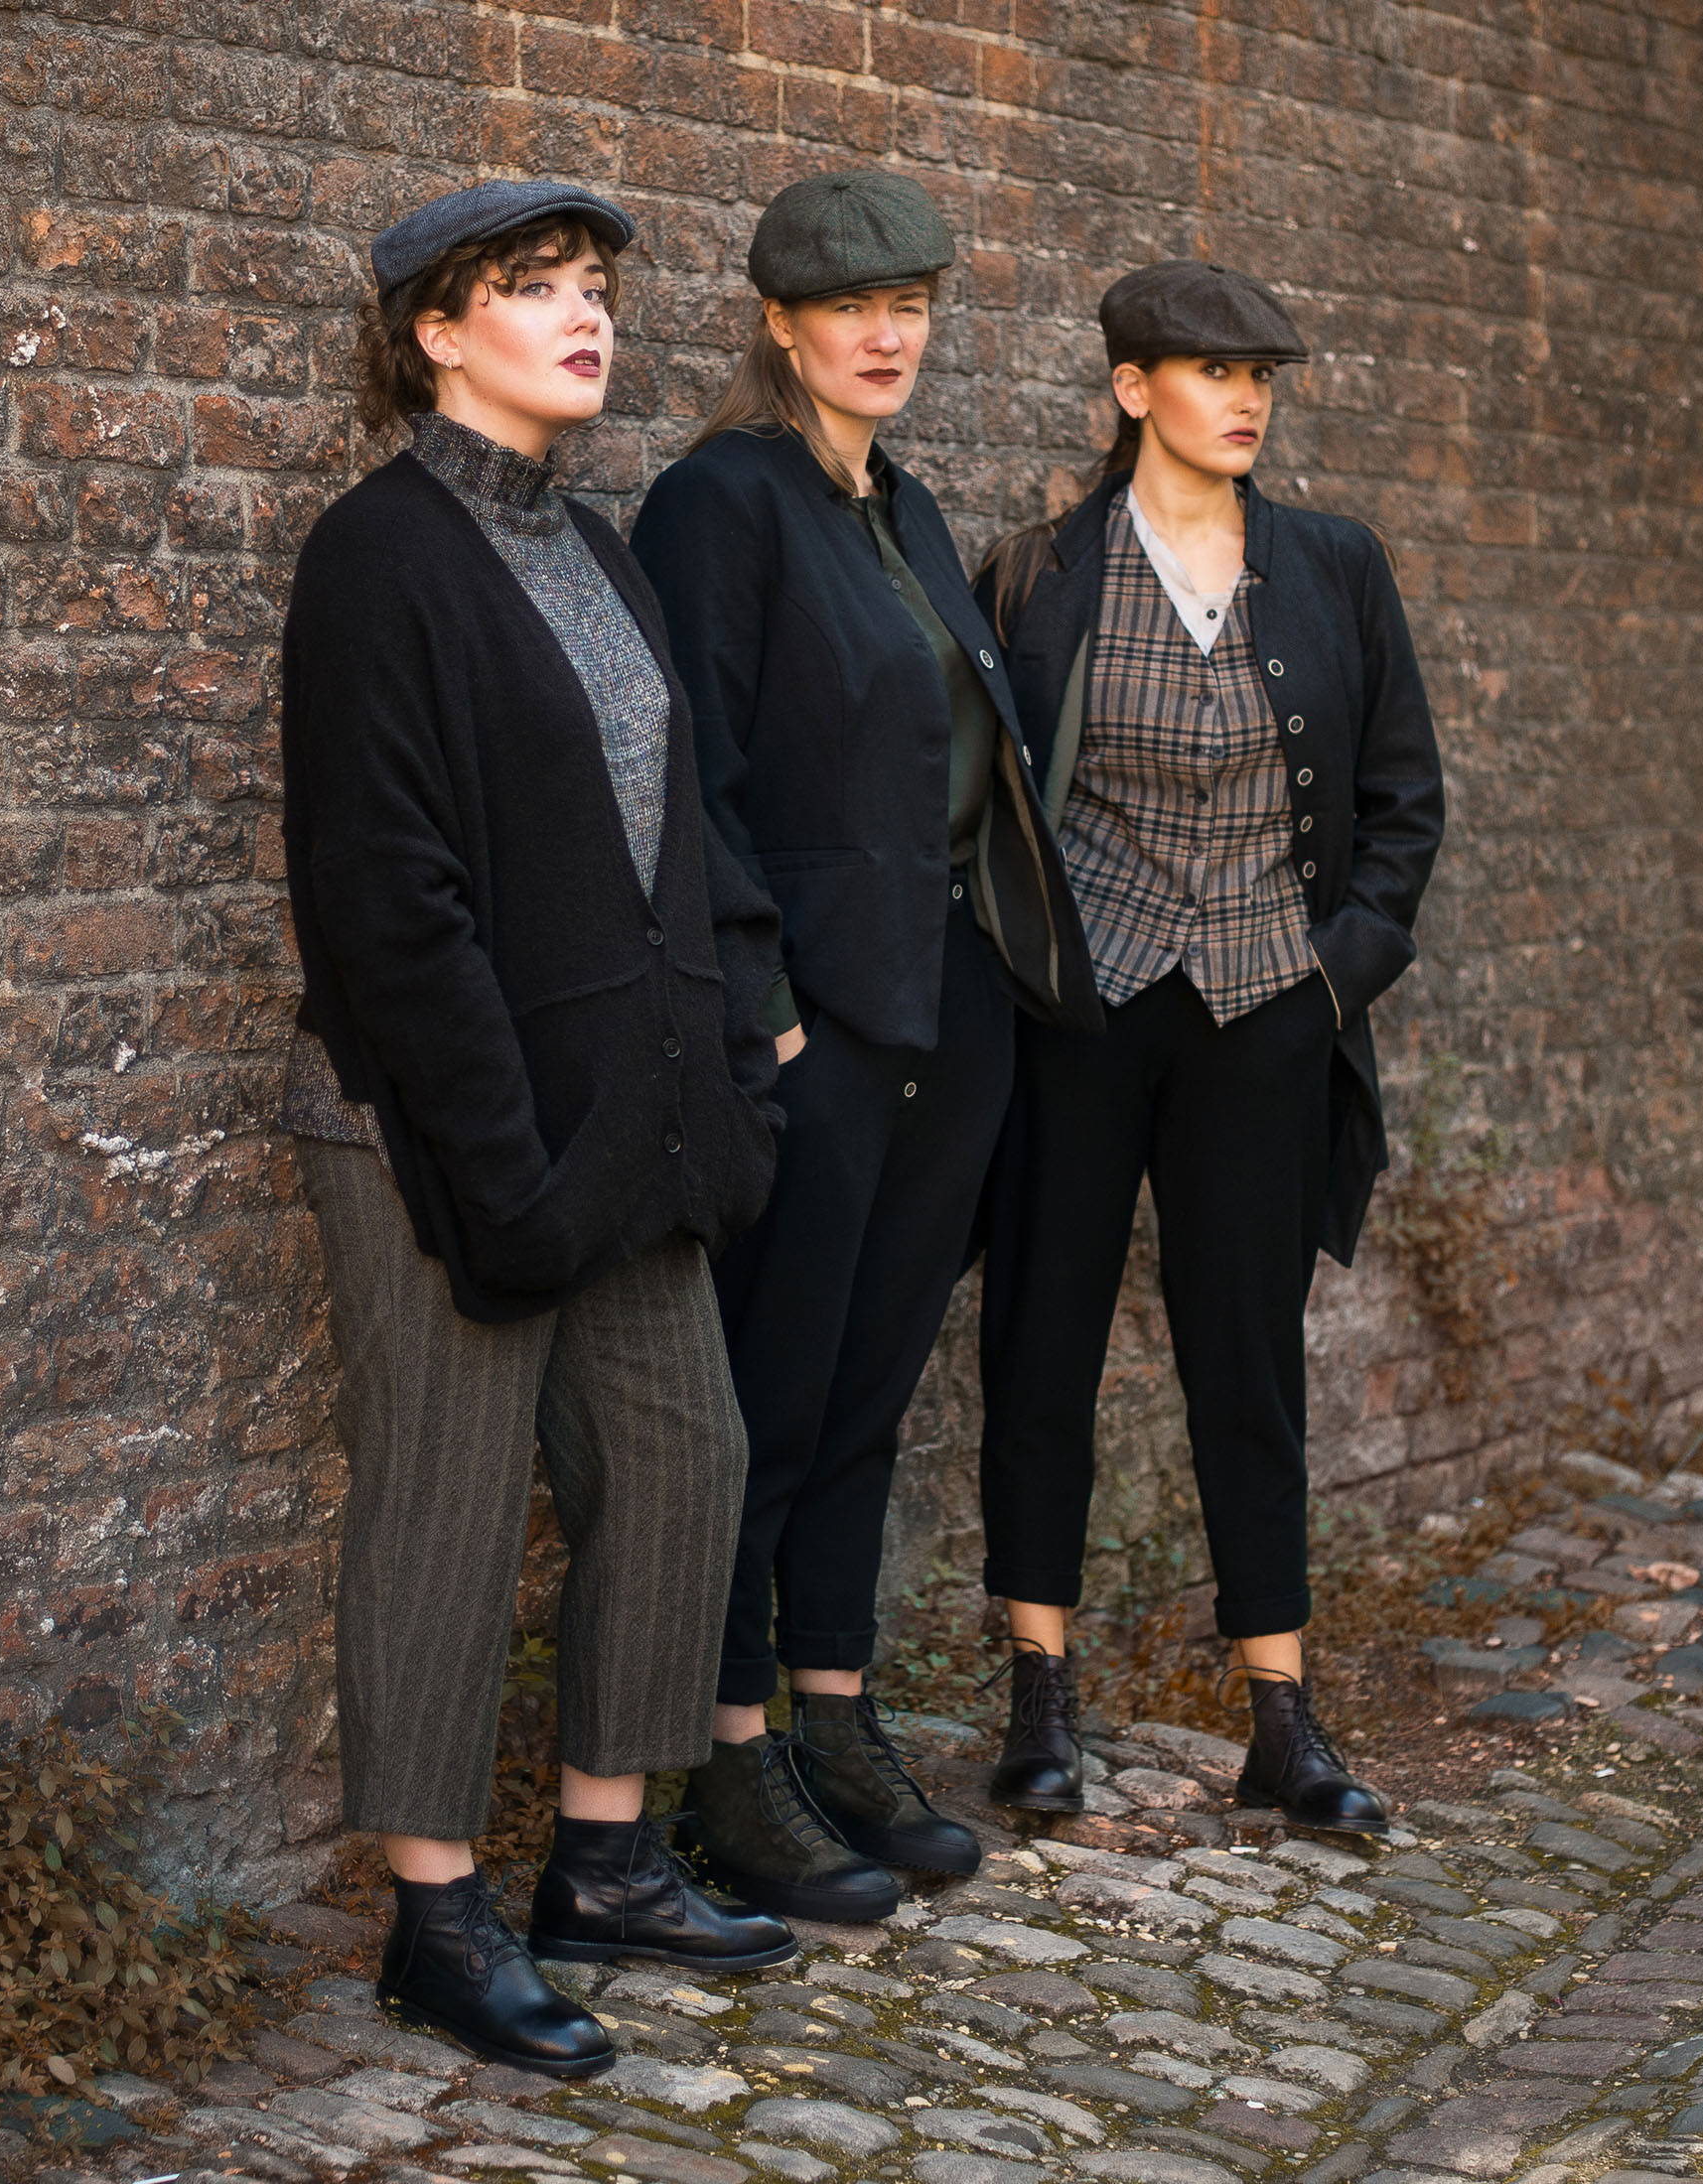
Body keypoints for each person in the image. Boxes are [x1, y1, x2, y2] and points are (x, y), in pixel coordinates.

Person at [278, 179, 797, 2076]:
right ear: (436, 329)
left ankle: (607, 1862)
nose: (584, 316)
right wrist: (490, 1159)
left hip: (626, 1130)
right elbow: (384, 894)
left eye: (595, 290)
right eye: (534, 289)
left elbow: (678, 841)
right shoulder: (377, 557)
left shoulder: (599, 546)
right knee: (446, 1500)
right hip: (431, 1132)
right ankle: (434, 1917)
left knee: (684, 1464)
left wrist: (738, 1057)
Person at [632, 172, 1097, 1920]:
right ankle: (728, 1756)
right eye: (849, 306)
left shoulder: (903, 509)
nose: (887, 332)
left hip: (948, 1023)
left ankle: (835, 1715)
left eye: (910, 300)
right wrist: (769, 1012)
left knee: (869, 1397)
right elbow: (696, 790)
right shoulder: (719, 505)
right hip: (815, 1032)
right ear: (778, 323)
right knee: (766, 1397)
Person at [971, 261, 1446, 1832]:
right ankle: (1041, 1694)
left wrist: (1330, 981)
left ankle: (1282, 1713)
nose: (1245, 399)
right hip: (1088, 1009)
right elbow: (987, 813)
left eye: (1264, 377)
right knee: (1043, 1333)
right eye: (1209, 371)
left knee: (1247, 1356)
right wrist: (1031, 975)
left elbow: (1402, 806)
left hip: (1263, 1013)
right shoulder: (1038, 572)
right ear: (1131, 390)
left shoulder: (1331, 567)